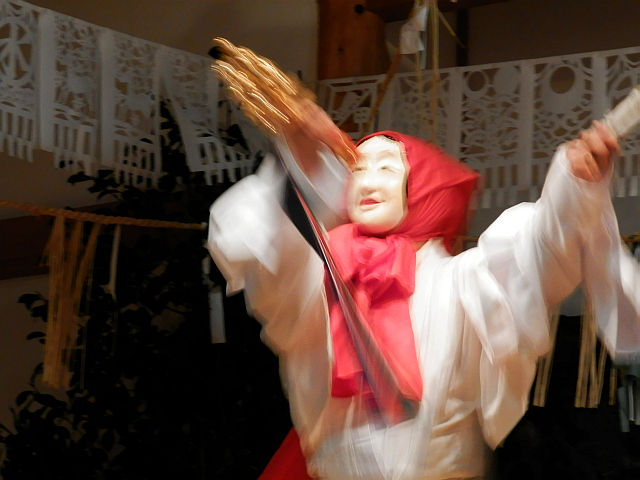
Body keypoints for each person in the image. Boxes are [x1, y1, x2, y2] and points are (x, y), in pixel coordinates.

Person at [207, 98, 640, 479]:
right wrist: (301, 157)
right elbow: (271, 252)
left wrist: (574, 184)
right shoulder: (321, 279)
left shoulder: (460, 282)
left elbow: (539, 252)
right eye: (357, 168)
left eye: (387, 167)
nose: (368, 179)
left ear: (419, 189)